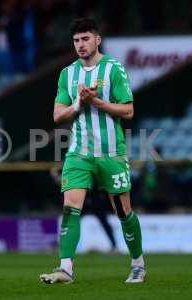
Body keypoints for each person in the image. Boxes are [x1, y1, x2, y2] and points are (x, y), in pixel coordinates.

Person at [40, 18, 145, 284]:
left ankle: (137, 264)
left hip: (111, 153)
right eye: (76, 40)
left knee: (123, 212)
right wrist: (79, 104)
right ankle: (65, 269)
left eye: (85, 39)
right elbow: (57, 115)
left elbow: (129, 110)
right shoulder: (68, 74)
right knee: (70, 207)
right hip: (79, 154)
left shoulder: (114, 69)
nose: (80, 45)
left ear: (97, 39)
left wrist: (95, 101)